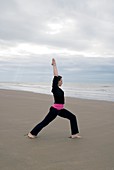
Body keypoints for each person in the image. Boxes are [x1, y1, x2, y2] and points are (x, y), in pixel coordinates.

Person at [28, 58, 81, 139]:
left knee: (72, 117)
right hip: (55, 110)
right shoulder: (55, 88)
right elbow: (55, 75)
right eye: (61, 80)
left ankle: (74, 134)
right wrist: (54, 65)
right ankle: (32, 133)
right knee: (45, 122)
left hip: (60, 110)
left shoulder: (59, 89)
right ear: (58, 81)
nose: (62, 82)